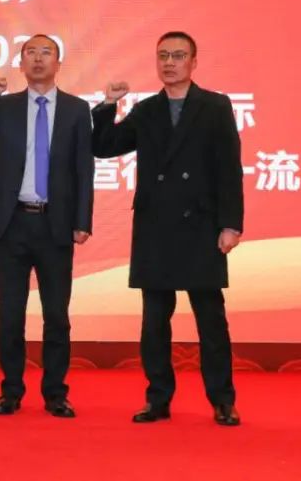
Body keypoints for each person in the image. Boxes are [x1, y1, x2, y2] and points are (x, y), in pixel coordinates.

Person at [92, 31, 244, 427]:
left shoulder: (215, 106)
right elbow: (104, 145)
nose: (169, 63)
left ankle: (222, 400)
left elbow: (229, 170)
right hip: (156, 227)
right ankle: (157, 398)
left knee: (211, 320)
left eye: (178, 55)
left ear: (194, 62)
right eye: (163, 56)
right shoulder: (146, 110)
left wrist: (230, 224)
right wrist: (108, 105)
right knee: (154, 322)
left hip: (201, 227)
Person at [0, 34, 94, 418]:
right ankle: (11, 391)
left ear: (58, 63)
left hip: (56, 224)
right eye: (30, 53)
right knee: (10, 315)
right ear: (21, 64)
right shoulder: (5, 107)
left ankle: (55, 393)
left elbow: (84, 170)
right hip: (12, 223)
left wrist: (82, 220)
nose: (38, 59)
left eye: (46, 53)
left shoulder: (76, 109)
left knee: (56, 316)